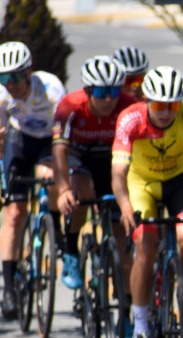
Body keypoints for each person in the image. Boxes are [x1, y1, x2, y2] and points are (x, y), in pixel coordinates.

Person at [112, 66, 183, 338]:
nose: (167, 112)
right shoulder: (130, 118)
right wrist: (125, 206)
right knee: (145, 244)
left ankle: (182, 290)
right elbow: (119, 172)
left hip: (178, 181)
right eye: (159, 105)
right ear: (147, 100)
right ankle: (141, 327)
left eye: (173, 105)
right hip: (140, 182)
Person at [54, 56, 137, 291]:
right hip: (79, 159)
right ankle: (71, 250)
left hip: (113, 163)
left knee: (121, 234)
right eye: (101, 92)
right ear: (88, 91)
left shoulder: (128, 105)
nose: (110, 99)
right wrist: (63, 190)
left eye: (114, 91)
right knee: (82, 190)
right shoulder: (70, 106)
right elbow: (59, 150)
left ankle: (125, 309)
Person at [0, 41, 65, 319]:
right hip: (19, 140)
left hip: (51, 140)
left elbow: (65, 135)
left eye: (14, 77)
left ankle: (56, 229)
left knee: (51, 177)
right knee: (14, 213)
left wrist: (55, 162)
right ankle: (10, 289)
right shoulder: (0, 96)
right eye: (2, 77)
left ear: (28, 73)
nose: (9, 84)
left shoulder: (51, 90)